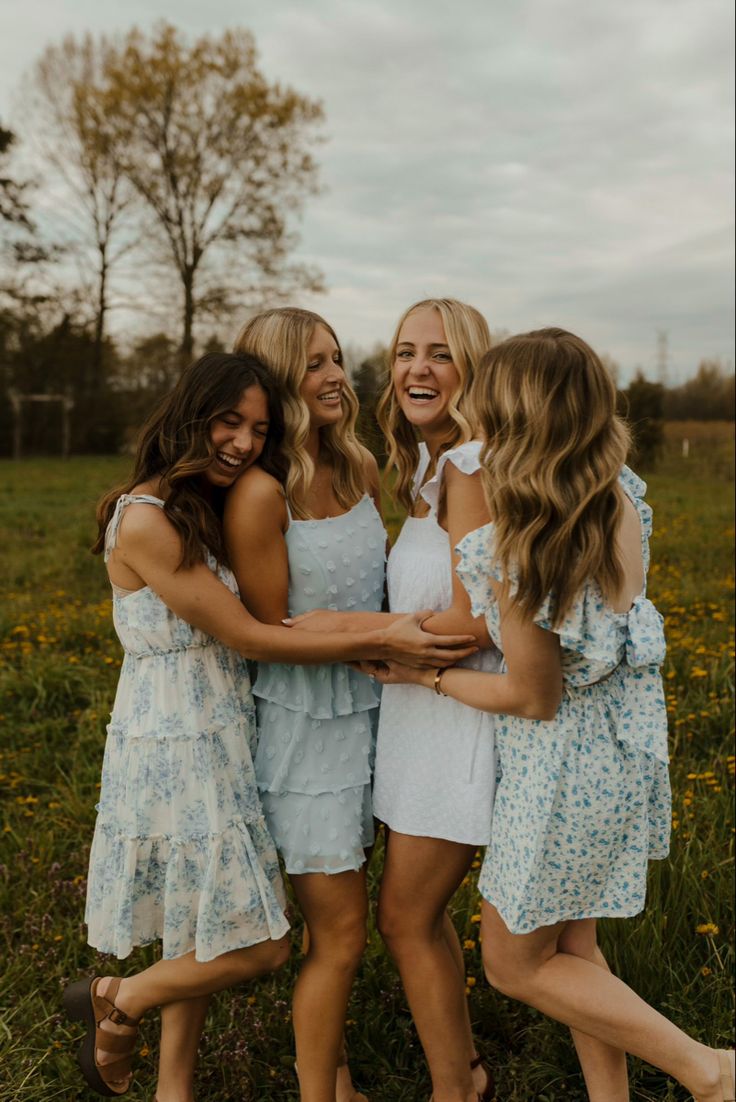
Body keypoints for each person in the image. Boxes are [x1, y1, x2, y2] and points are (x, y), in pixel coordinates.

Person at [62, 350, 478, 1102]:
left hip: (222, 725)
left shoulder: (196, 503)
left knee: (198, 918)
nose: (245, 442)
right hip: (175, 739)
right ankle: (119, 997)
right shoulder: (147, 520)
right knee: (261, 943)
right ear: (190, 413)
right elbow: (253, 636)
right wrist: (385, 637)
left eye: (257, 427)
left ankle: (172, 1087)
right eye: (229, 422)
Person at [372, 328, 735, 1102]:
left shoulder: (522, 545)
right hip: (622, 753)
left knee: (513, 961)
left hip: (559, 770)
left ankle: (710, 1071)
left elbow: (532, 696)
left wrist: (424, 680)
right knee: (573, 943)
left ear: (515, 417)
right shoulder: (619, 495)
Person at [289, 299, 500, 1102]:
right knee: (421, 917)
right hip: (412, 720)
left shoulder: (472, 465)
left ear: (471, 370)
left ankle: (459, 1089)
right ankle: (464, 1074)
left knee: (404, 919)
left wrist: (350, 628)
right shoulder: (421, 467)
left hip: (455, 719)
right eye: (406, 351)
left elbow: (473, 620)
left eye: (440, 355)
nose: (418, 368)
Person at [227, 307, 402, 1102]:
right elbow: (270, 631)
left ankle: (336, 1076)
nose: (336, 376)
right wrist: (387, 637)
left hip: (380, 715)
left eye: (337, 358)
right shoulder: (263, 496)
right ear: (277, 381)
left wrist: (394, 640)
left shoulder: (361, 467)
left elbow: (386, 582)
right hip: (306, 732)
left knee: (348, 929)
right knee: (338, 935)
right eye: (313, 365)